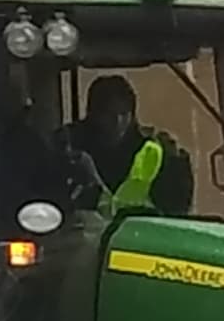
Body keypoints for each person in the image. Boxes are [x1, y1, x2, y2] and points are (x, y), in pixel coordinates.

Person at [66, 76, 194, 218]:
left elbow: (177, 211)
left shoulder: (156, 150)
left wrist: (176, 163)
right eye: (108, 114)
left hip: (141, 238)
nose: (117, 121)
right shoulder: (69, 148)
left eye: (124, 113)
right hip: (82, 238)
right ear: (93, 114)